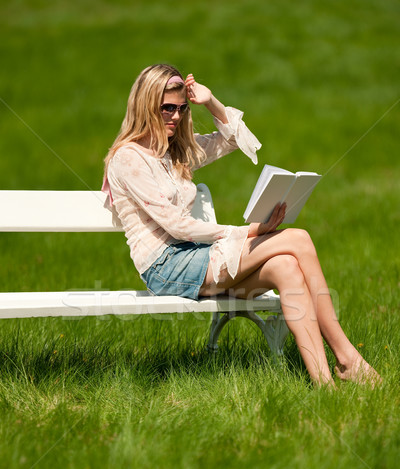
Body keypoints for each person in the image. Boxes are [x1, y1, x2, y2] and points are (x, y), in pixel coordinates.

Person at [102, 63, 381, 388]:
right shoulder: (128, 159)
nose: (176, 117)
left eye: (181, 108)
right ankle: (347, 358)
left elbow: (235, 140)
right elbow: (177, 226)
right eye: (167, 108)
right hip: (166, 266)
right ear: (146, 105)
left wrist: (210, 102)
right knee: (299, 239)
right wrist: (251, 231)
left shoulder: (175, 151)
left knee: (286, 267)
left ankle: (324, 383)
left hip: (195, 257)